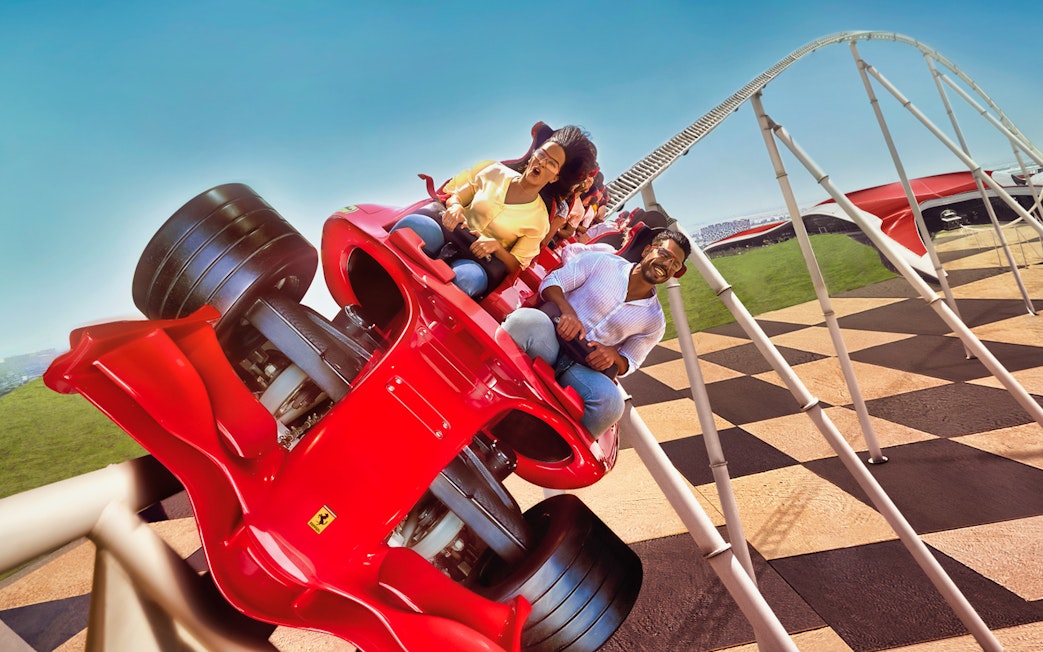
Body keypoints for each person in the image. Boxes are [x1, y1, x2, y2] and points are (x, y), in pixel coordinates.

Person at [501, 229, 692, 436]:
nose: (667, 265)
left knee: (611, 405)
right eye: (664, 255)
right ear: (647, 250)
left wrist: (614, 356)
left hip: (582, 368)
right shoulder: (602, 262)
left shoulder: (654, 321)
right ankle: (491, 391)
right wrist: (568, 311)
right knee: (523, 321)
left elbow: (631, 362)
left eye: (675, 264)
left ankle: (542, 444)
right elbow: (552, 282)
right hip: (551, 339)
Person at [391, 125, 597, 297]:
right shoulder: (493, 171)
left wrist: (497, 247)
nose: (542, 163)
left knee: (465, 281)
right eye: (542, 154)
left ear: (554, 177)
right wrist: (454, 207)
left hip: (477, 261)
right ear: (533, 155)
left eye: (551, 163)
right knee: (413, 227)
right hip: (448, 229)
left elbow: (517, 263)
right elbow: (457, 194)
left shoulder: (540, 220)